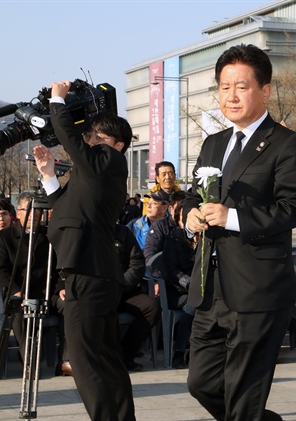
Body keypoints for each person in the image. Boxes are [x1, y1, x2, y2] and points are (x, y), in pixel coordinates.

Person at [182, 44, 296, 421]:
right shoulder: (213, 143)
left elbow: (293, 208)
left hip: (259, 288)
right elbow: (193, 193)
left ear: (265, 90)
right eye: (224, 87)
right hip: (210, 285)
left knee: (244, 391)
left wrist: (232, 216)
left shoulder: (287, 144)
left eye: (241, 86)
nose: (231, 95)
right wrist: (189, 214)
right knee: (201, 382)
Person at [32, 79, 135, 421]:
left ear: (117, 145)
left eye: (98, 137)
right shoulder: (92, 175)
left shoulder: (108, 161)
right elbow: (66, 210)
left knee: (85, 360)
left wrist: (57, 102)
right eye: (89, 135)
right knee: (103, 358)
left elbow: (72, 141)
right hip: (92, 273)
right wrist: (48, 176)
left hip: (90, 273)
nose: (90, 140)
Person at [0, 191, 62, 369]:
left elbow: (60, 265)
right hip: (20, 290)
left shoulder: (50, 235)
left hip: (47, 290)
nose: (34, 214)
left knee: (71, 305)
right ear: (18, 212)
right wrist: (16, 291)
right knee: (18, 309)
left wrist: (62, 287)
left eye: (38, 210)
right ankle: (29, 359)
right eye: (29, 210)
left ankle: (66, 359)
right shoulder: (4, 237)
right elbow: (0, 271)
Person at [114, 222, 160, 372]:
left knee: (151, 307)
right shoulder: (90, 232)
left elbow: (137, 263)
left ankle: (126, 354)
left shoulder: (123, 232)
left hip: (124, 288)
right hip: (99, 291)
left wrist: (122, 285)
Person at [161, 201, 196, 369]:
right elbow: (171, 270)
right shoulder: (172, 238)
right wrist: (190, 284)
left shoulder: (203, 238)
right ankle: (180, 351)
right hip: (178, 290)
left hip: (200, 289)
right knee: (194, 302)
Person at [143, 190, 186, 260]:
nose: (149, 206)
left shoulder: (194, 226)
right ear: (171, 208)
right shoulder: (159, 226)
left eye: (154, 203)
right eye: (147, 203)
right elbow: (150, 255)